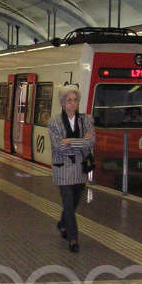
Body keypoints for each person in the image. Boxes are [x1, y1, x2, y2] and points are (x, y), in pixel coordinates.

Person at [47, 84, 95, 252]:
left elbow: (91, 142)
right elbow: (58, 146)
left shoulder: (86, 120)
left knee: (74, 202)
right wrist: (80, 142)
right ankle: (73, 239)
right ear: (62, 102)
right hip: (63, 168)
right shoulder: (54, 122)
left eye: (75, 100)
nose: (72, 104)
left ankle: (62, 223)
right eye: (69, 100)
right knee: (68, 201)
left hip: (80, 169)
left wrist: (69, 141)